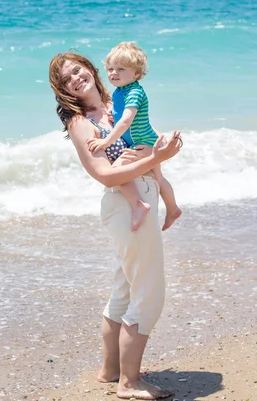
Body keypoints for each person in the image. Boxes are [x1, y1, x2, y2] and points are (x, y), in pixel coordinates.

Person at [49, 51, 181, 400]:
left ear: (90, 69)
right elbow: (104, 173)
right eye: (67, 80)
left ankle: (110, 372)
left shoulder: (116, 100)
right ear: (64, 91)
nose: (76, 78)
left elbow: (137, 141)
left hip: (139, 200)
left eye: (78, 70)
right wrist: (157, 158)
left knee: (124, 290)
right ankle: (130, 383)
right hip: (125, 208)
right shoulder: (80, 122)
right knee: (148, 293)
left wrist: (154, 152)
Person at [87, 42, 182, 232]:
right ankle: (172, 209)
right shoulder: (119, 91)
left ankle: (156, 207)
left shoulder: (135, 92)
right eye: (110, 68)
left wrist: (106, 141)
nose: (114, 73)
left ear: (136, 73)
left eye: (121, 69)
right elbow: (120, 114)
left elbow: (126, 121)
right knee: (156, 176)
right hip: (139, 141)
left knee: (148, 175)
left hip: (145, 142)